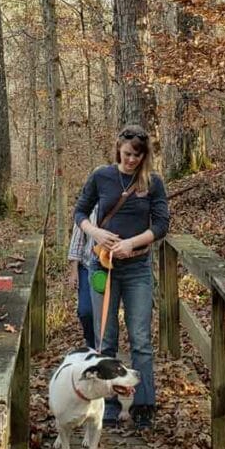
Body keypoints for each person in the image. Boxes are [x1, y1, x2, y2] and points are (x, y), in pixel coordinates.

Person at [73, 125, 169, 430]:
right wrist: (96, 232)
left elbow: (162, 223)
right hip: (103, 267)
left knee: (140, 338)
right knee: (106, 337)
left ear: (145, 156)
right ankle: (109, 404)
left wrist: (133, 243)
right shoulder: (101, 176)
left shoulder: (152, 183)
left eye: (137, 156)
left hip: (137, 268)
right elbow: (80, 212)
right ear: (119, 149)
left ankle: (143, 405)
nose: (131, 161)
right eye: (127, 154)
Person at [66, 204, 98, 349]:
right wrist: (74, 271)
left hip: (111, 269)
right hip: (87, 266)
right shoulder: (88, 205)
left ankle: (105, 349)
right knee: (85, 311)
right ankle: (90, 343)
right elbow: (77, 241)